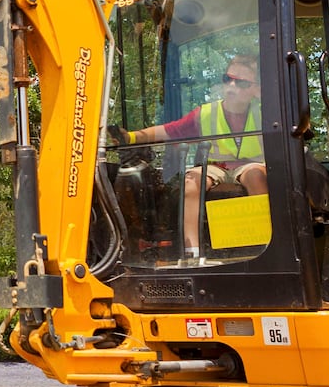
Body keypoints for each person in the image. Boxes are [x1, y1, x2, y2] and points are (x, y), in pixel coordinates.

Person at [114, 54, 266, 260]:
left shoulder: (266, 114)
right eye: (226, 79)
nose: (231, 85)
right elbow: (168, 131)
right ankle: (192, 253)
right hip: (215, 167)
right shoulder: (205, 114)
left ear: (256, 90)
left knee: (257, 176)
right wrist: (131, 137)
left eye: (240, 82)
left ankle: (265, 246)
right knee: (190, 182)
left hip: (251, 165)